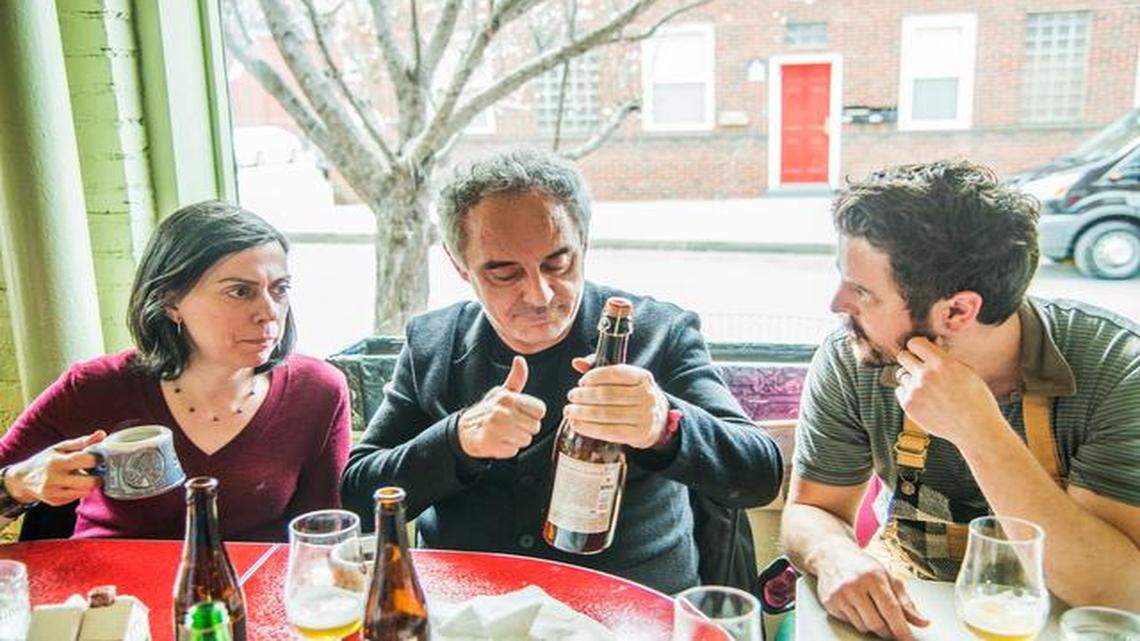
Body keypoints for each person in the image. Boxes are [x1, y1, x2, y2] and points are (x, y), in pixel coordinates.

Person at [340, 149, 783, 594]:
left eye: (558, 263)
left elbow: (759, 475)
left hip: (628, 608)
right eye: (504, 274)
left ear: (584, 245)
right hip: (470, 607)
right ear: (462, 270)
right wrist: (456, 441)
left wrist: (664, 425)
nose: (540, 293)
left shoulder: (658, 333)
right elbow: (357, 496)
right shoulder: (432, 343)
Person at [781, 160, 1140, 640]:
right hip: (914, 616)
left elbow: (1117, 591)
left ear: (957, 311)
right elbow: (812, 510)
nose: (837, 304)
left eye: (863, 292)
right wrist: (834, 555)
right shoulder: (856, 358)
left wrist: (978, 431)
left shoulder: (1116, 368)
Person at [0, 201, 351, 541]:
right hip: (110, 594)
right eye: (240, 292)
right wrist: (18, 484)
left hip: (250, 593)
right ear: (170, 302)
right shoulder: (95, 388)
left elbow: (325, 540)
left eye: (280, 289)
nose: (269, 312)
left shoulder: (318, 391)